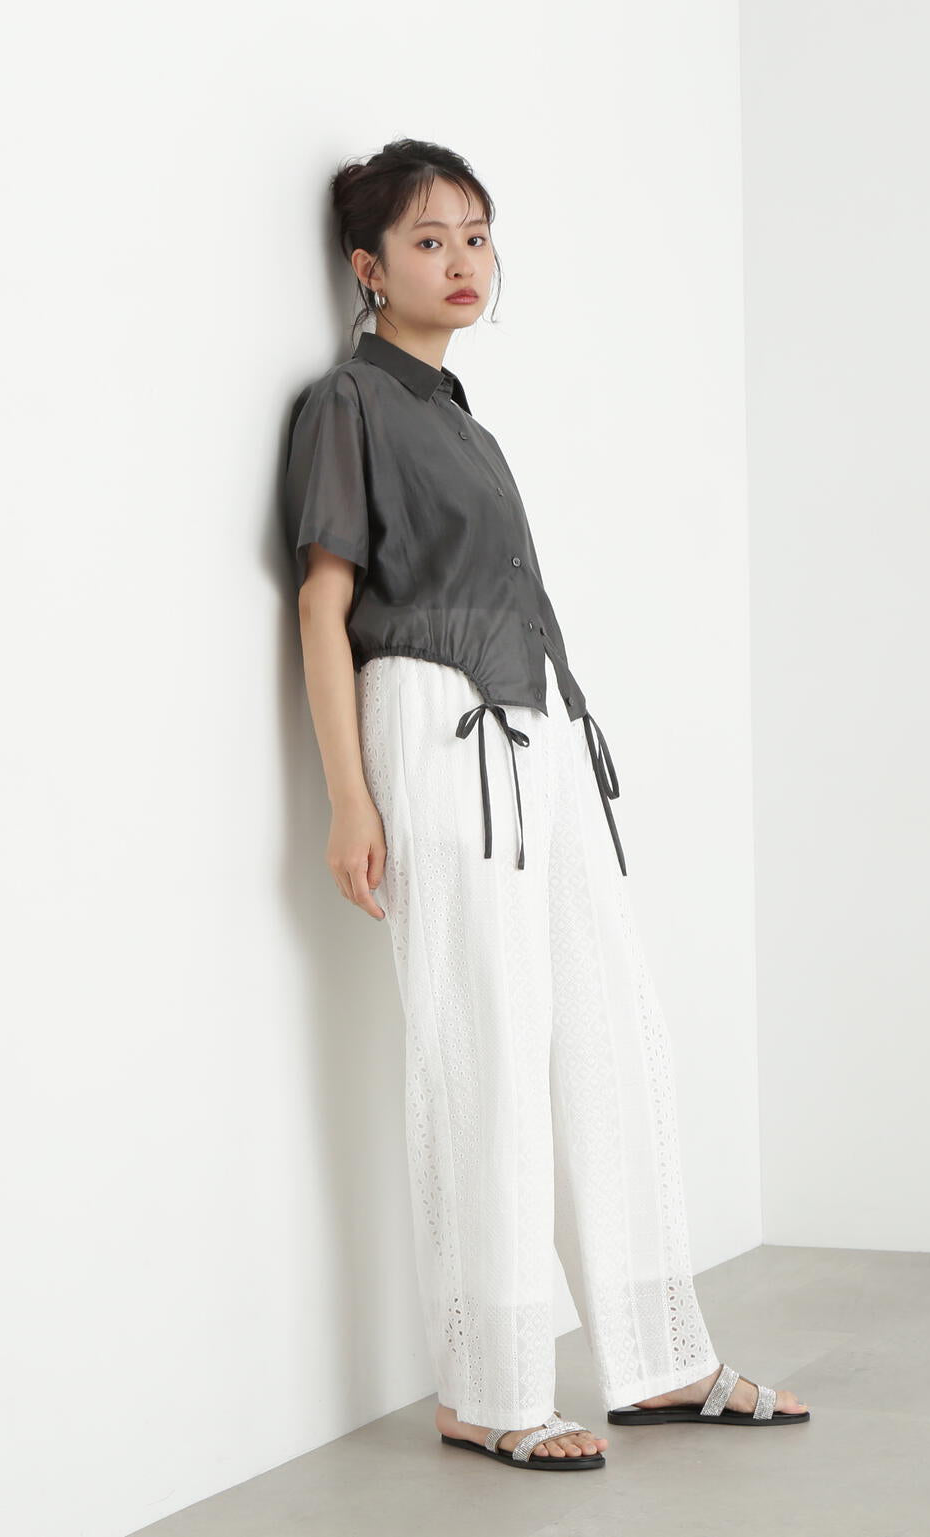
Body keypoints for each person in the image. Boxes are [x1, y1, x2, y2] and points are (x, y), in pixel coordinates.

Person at [284, 138, 810, 1471]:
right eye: (429, 240)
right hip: (438, 725)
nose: (464, 261)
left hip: (539, 733)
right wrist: (350, 796)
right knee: (488, 1041)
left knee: (611, 1028)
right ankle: (490, 1383)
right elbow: (324, 605)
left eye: (476, 236)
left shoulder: (461, 418)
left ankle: (660, 1354)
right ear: (368, 267)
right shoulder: (350, 402)